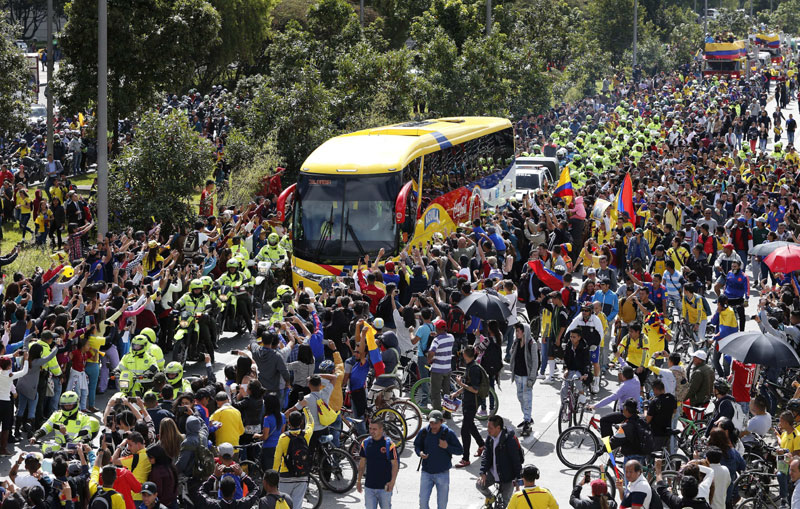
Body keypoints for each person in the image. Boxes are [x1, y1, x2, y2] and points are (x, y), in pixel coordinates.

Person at [413, 410, 464, 509]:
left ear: (442, 421)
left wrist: (447, 446)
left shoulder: (448, 433)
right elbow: (417, 445)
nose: (433, 426)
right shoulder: (423, 432)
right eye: (431, 423)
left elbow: (460, 450)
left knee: (442, 505)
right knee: (422, 503)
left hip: (443, 474)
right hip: (426, 473)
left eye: (436, 423)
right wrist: (420, 453)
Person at [476, 415, 524, 507]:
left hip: (507, 477)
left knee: (505, 504)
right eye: (487, 427)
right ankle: (491, 497)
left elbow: (516, 461)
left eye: (490, 428)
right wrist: (483, 472)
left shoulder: (510, 440)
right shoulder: (490, 438)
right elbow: (486, 455)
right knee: (479, 485)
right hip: (493, 474)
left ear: (498, 428)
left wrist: (518, 481)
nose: (487, 430)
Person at [273, 408, 313, 509]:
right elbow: (311, 423)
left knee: (283, 504)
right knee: (297, 505)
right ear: (301, 422)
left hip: (285, 475)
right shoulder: (306, 434)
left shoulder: (283, 437)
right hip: (302, 475)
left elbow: (277, 458)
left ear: (289, 422)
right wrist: (306, 409)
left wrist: (274, 474)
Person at [453, 346, 485, 468]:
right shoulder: (470, 365)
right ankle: (482, 445)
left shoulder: (474, 369)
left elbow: (475, 389)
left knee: (464, 430)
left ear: (466, 355)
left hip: (473, 402)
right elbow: (468, 384)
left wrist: (461, 384)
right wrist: (457, 392)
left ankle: (465, 458)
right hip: (467, 401)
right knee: (470, 425)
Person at [357, 420, 399, 509]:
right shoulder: (365, 443)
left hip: (384, 488)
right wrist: (359, 481)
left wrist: (392, 482)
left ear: (381, 429)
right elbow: (362, 464)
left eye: (374, 429)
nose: (371, 431)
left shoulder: (389, 444)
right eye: (370, 428)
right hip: (369, 487)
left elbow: (395, 465)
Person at [508, 322, 539, 435]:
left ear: (524, 331)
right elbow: (512, 354)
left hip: (527, 376)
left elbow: (535, 362)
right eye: (516, 331)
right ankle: (527, 417)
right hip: (517, 375)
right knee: (520, 397)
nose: (517, 333)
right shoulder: (516, 342)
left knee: (527, 398)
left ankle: (527, 420)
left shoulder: (532, 344)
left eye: (518, 331)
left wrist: (532, 378)